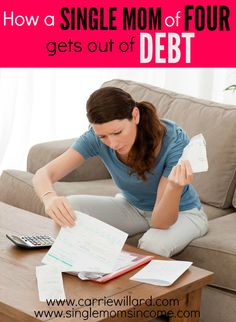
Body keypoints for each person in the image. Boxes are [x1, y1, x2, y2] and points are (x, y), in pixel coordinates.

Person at [32, 86, 208, 257]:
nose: (113, 143)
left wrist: (174, 188)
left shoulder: (174, 140)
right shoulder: (95, 138)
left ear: (135, 115)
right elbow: (44, 174)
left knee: (153, 244)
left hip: (182, 213)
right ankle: (79, 271)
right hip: (132, 207)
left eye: (117, 132)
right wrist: (49, 198)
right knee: (67, 209)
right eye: (103, 136)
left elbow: (160, 222)